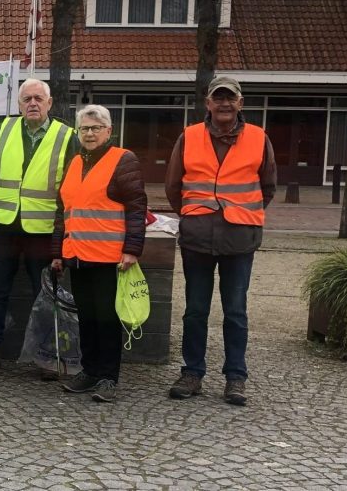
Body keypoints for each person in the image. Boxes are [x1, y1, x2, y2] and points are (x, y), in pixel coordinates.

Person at [165, 75, 276, 406]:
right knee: (195, 310)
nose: (224, 103)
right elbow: (173, 185)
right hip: (198, 237)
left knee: (236, 311)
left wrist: (242, 213)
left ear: (240, 103)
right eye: (218, 98)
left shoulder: (258, 138)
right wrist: (193, 215)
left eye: (230, 98)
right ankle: (192, 373)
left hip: (239, 239)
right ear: (208, 103)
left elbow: (268, 186)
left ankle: (235, 377)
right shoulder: (189, 136)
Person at [0, 78, 77, 375]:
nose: (32, 104)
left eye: (38, 99)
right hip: (4, 226)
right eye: (27, 99)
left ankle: (49, 355)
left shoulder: (67, 137)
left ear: (49, 103)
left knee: (45, 294)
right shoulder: (1, 131)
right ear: (18, 105)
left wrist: (64, 229)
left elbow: (72, 188)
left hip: (44, 230)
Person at [51, 104, 147, 403]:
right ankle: (90, 371)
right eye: (84, 129)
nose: (89, 133)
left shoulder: (123, 160)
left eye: (95, 128)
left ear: (109, 131)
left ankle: (108, 377)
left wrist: (132, 249)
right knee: (87, 318)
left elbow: (136, 207)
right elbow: (63, 211)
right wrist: (57, 252)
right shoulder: (75, 162)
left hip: (109, 258)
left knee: (107, 319)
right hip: (77, 255)